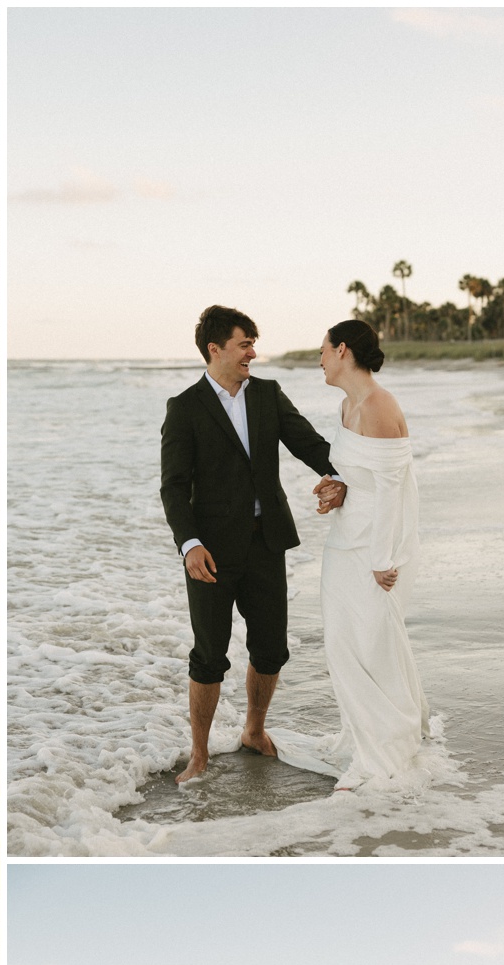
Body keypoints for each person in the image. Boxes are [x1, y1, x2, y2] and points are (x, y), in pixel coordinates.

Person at [160, 305, 348, 785]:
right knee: (209, 655)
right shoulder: (184, 407)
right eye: (245, 344)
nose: (253, 353)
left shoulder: (266, 394)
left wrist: (348, 474)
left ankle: (254, 731)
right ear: (215, 348)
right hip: (211, 555)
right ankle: (198, 754)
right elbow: (173, 486)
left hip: (267, 543)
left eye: (252, 344)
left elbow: (308, 443)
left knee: (271, 649)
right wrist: (189, 544)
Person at [267, 322, 433, 791]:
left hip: (375, 550)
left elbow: (391, 492)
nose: (319, 359)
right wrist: (336, 487)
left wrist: (383, 559)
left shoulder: (379, 407)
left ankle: (383, 745)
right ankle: (361, 734)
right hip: (345, 541)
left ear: (342, 350)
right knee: (344, 643)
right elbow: (357, 477)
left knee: (371, 642)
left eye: (322, 350)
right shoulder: (346, 406)